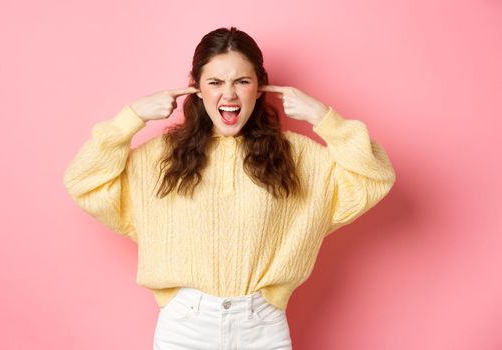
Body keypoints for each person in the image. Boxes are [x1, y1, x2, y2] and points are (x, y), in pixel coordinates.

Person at [63, 26, 396, 350]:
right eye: (215, 82)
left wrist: (324, 118)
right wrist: (131, 117)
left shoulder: (298, 156)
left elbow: (374, 176)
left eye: (242, 81)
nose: (229, 94)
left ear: (260, 87)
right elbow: (84, 181)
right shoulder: (159, 157)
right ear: (197, 89)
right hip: (184, 328)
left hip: (262, 327)